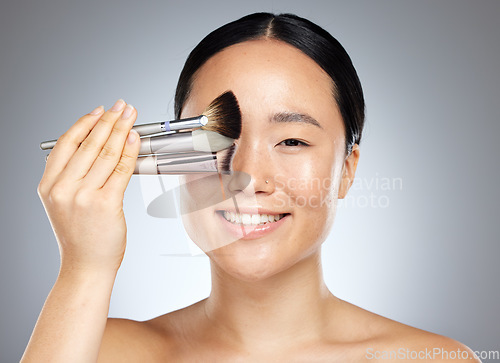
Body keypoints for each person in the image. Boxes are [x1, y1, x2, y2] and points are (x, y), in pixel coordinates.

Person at [23, 12, 479, 362]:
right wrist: (84, 267)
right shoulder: (100, 350)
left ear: (346, 170)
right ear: (172, 158)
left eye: (292, 141)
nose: (249, 177)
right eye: (215, 140)